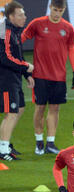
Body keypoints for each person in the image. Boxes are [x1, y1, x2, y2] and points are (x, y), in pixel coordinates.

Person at [22, 0, 74, 156]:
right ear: (50, 8)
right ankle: (39, 142)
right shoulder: (38, 24)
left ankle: (51, 143)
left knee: (55, 109)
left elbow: (71, 49)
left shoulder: (68, 28)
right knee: (40, 108)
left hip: (59, 77)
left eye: (60, 10)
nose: (57, 13)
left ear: (64, 10)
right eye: (55, 10)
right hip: (40, 75)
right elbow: (21, 38)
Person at [0, 1, 34, 161]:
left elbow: (18, 55)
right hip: (5, 79)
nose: (25, 17)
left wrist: (27, 75)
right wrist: (25, 66)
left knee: (19, 109)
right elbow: (5, 58)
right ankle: (3, 149)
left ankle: (5, 144)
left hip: (15, 78)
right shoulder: (5, 32)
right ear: (11, 16)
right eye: (21, 14)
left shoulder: (15, 31)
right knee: (11, 113)